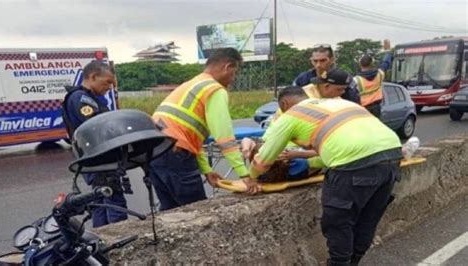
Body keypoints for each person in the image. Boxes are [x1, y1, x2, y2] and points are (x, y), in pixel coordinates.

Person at [246, 86, 403, 266]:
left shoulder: (291, 115)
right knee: (368, 218)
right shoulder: (339, 103)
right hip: (392, 155)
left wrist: (250, 177)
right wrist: (309, 163)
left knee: (338, 221)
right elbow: (332, 153)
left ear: (283, 104)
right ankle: (354, 261)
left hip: (353, 164)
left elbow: (263, 160)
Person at [149, 48, 250, 211]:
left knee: (170, 210)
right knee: (198, 212)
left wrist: (207, 170)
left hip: (154, 149)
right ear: (227, 67)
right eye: (234, 73)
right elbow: (224, 139)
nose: (233, 79)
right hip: (174, 151)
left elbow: (191, 138)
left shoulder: (192, 84)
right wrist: (245, 175)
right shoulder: (214, 90)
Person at [62, 61, 130, 228]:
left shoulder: (89, 98)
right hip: (98, 159)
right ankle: (120, 240)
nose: (110, 87)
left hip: (93, 158)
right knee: (112, 200)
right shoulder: (82, 99)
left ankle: (102, 239)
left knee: (100, 201)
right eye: (107, 82)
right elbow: (98, 127)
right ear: (93, 77)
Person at [293, 44, 361, 104]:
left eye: (323, 60)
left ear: (332, 60)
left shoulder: (345, 79)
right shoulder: (302, 79)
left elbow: (354, 103)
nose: (318, 65)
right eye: (315, 61)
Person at [354, 39, 393, 118]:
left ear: (360, 64)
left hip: (363, 109)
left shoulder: (356, 80)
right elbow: (386, 63)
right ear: (372, 63)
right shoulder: (380, 74)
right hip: (376, 108)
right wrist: (388, 51)